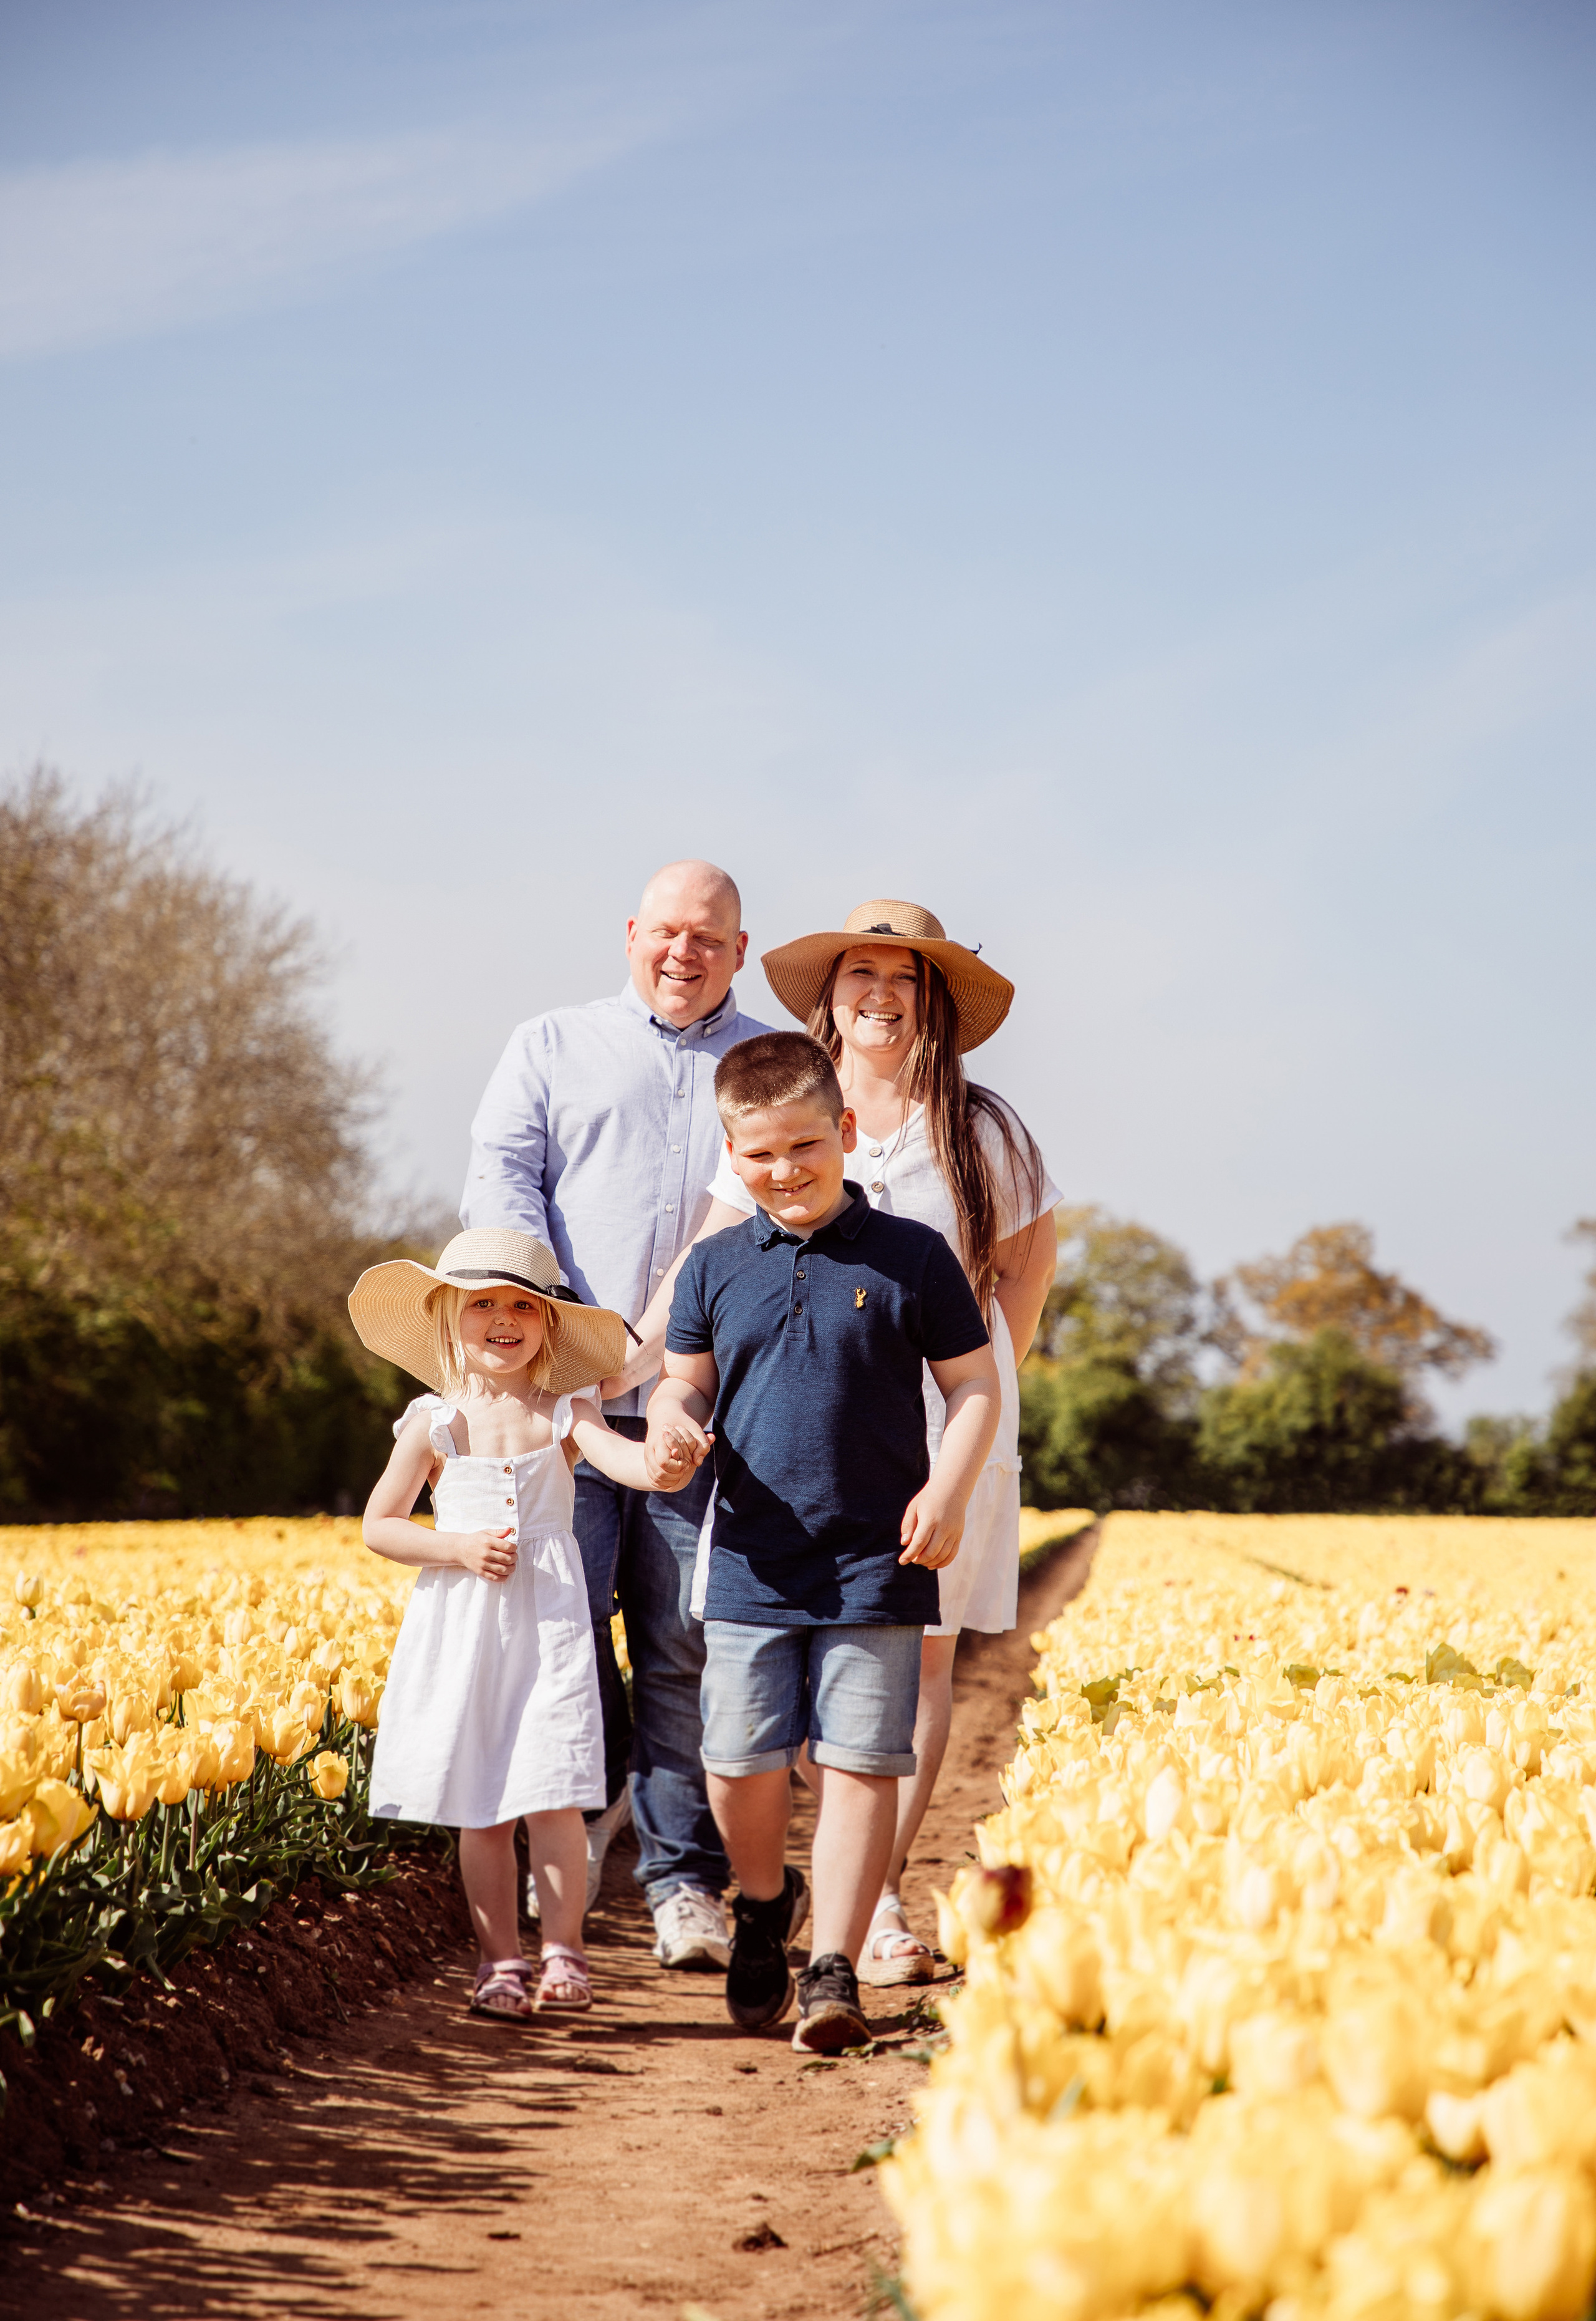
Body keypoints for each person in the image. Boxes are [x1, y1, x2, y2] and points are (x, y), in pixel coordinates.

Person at [631, 899, 1059, 1986]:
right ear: (832, 995)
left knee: (912, 1669)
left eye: (902, 979)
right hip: (801, 1414)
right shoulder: (789, 1107)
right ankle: (798, 1897)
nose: (878, 994)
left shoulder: (986, 1127)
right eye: (858, 974)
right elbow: (712, 1260)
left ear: (932, 1003)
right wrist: (632, 1362)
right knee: (794, 1693)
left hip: (942, 1420)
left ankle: (867, 1912)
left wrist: (971, 1402)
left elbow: (1026, 1273)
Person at [646, 1032, 1001, 2051]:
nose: (785, 1170)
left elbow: (972, 1385)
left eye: (806, 1144)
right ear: (731, 1155)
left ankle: (834, 1966)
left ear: (845, 1132)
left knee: (858, 1763)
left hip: (877, 1558)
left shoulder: (912, 1256)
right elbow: (686, 1380)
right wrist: (672, 1418)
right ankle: (764, 1903)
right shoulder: (713, 1266)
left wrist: (950, 1486)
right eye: (758, 1155)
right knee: (735, 1762)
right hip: (753, 1555)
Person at [461, 861, 774, 1971]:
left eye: (710, 938)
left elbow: (765, 1210)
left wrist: (642, 1353)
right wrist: (548, 1321)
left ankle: (683, 1882)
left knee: (686, 1644)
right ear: (631, 932)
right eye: (667, 932)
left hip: (701, 1406)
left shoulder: (769, 1065)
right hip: (556, 1408)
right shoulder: (550, 1043)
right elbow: (501, 1174)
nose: (683, 953)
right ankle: (584, 1837)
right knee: (561, 1632)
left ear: (740, 951)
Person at [350, 1228, 707, 2024]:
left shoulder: (565, 1412)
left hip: (548, 1627)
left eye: (524, 1304)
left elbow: (626, 1463)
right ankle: (498, 1959)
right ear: (449, 1317)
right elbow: (380, 1525)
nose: (504, 1318)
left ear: (550, 1323)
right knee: (482, 1805)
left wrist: (669, 1463)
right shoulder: (432, 1423)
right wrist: (454, 1547)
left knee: (552, 1798)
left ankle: (564, 1952)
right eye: (483, 1303)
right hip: (467, 1626)